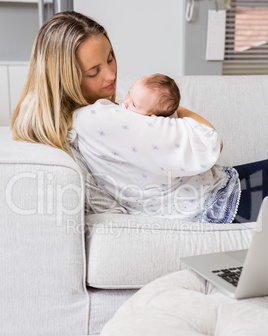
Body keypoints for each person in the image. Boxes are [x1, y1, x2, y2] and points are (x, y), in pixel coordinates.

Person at [10, 11, 268, 223]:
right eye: (93, 71)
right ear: (63, 79)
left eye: (110, 58)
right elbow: (211, 142)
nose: (111, 75)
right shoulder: (96, 119)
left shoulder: (87, 117)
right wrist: (174, 109)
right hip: (217, 201)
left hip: (218, 187)